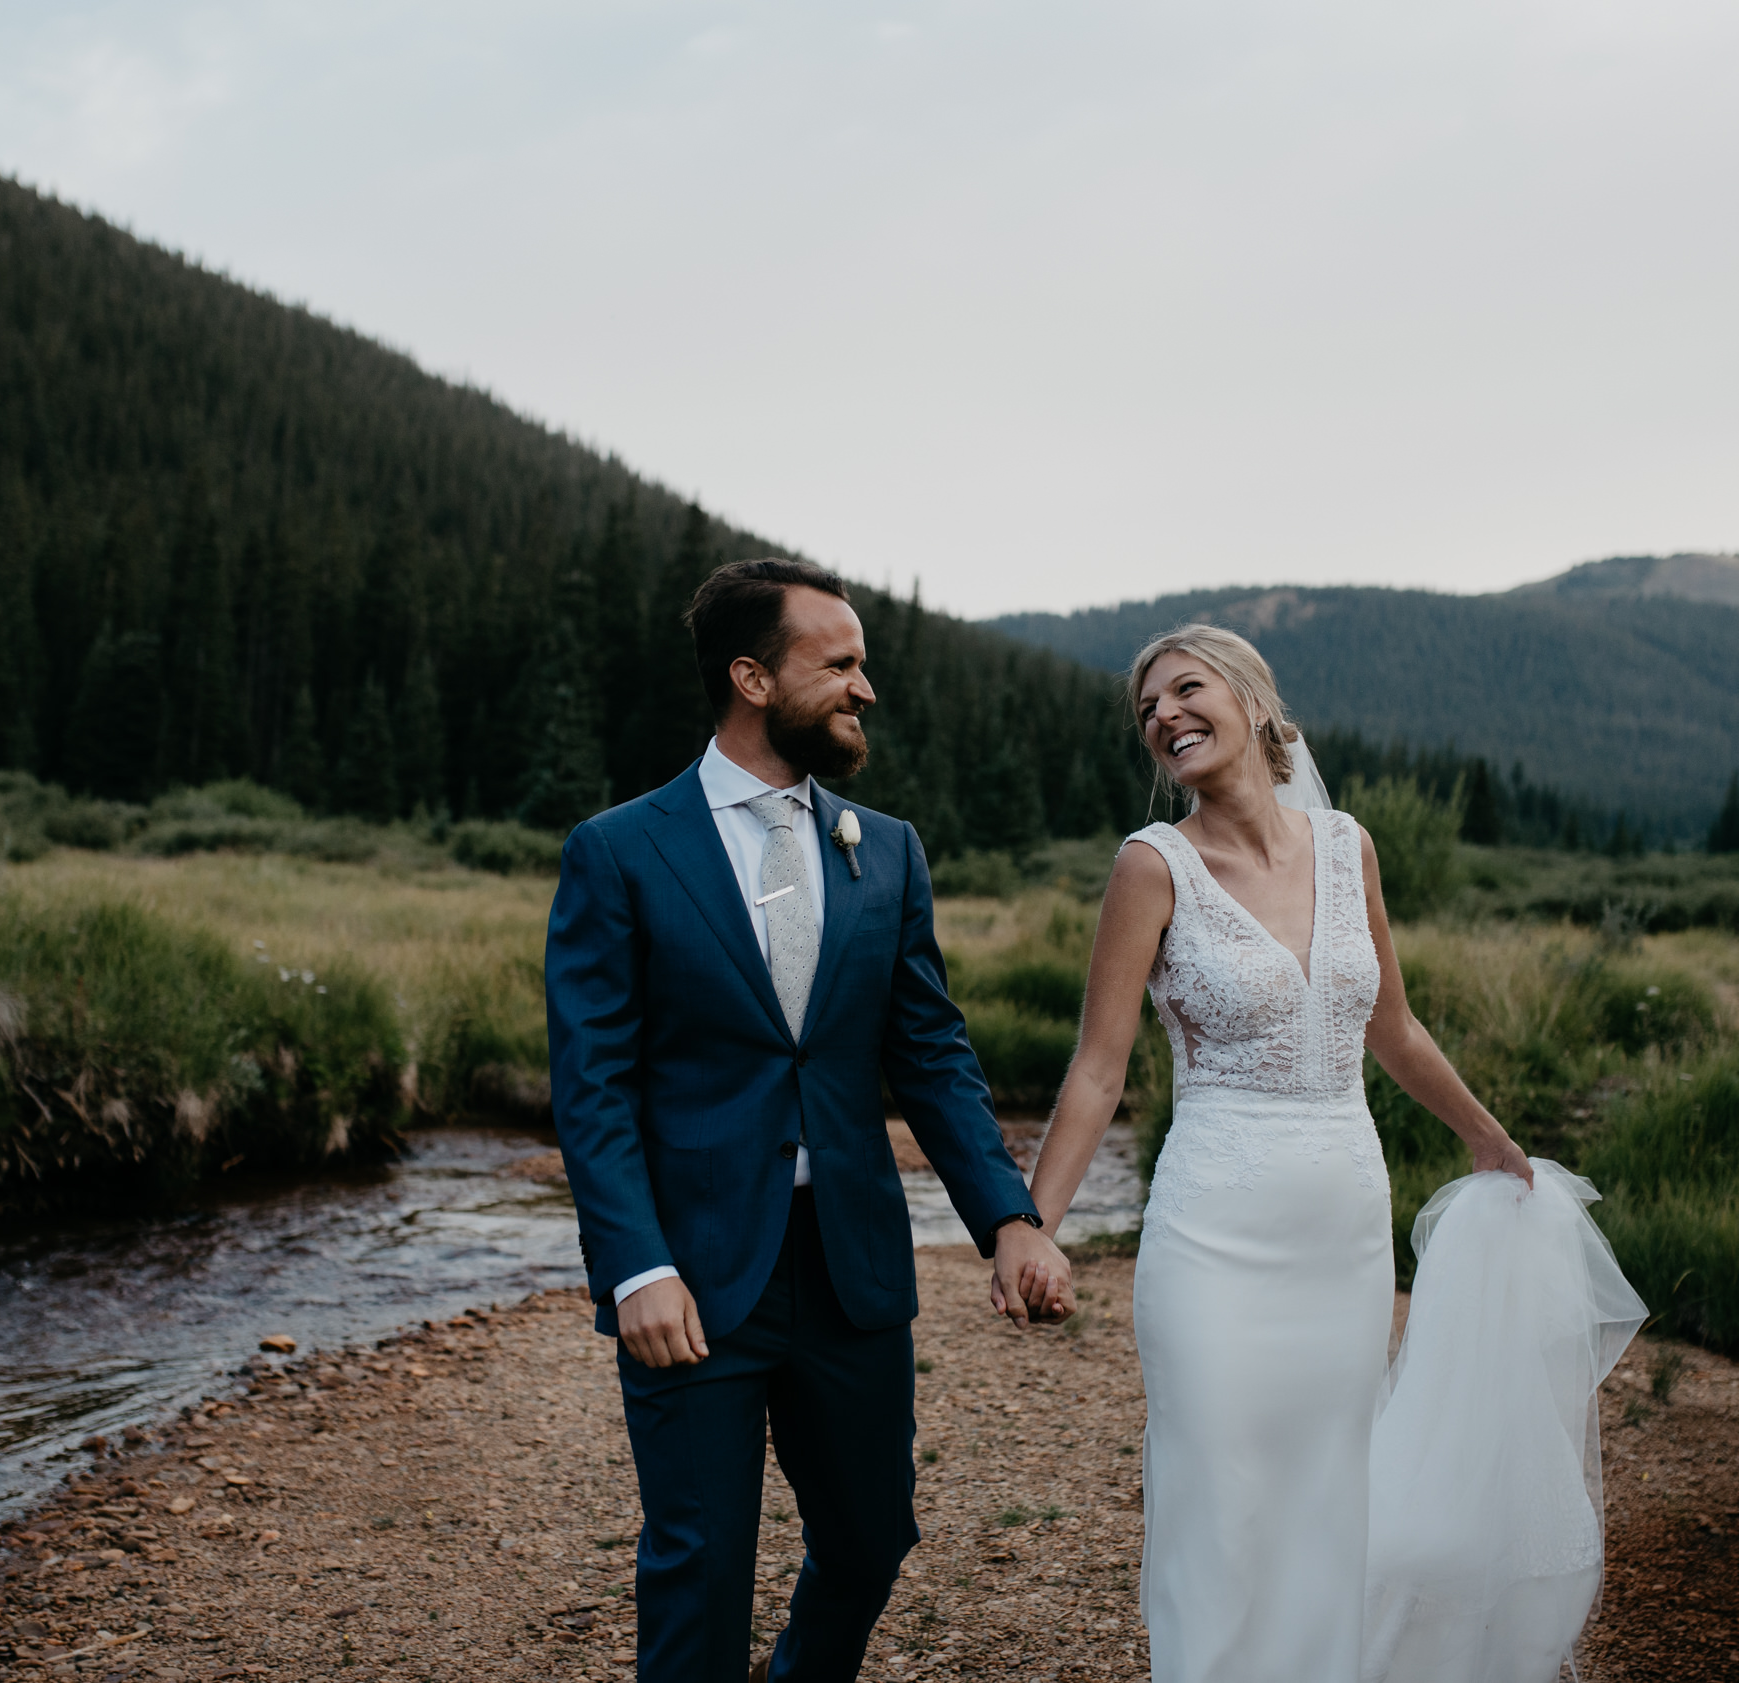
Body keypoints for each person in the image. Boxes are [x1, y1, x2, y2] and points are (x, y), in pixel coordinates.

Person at [544, 557, 1075, 1683]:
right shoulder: (619, 851)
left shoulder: (884, 850)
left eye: (862, 664)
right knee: (699, 1565)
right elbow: (590, 1082)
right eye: (837, 664)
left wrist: (1010, 1219)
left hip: (850, 1271)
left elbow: (929, 1054)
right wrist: (633, 1266)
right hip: (693, 1274)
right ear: (749, 677)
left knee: (872, 1538)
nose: (863, 688)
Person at [1021, 623, 1537, 1682]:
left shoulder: (1349, 849)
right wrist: (1031, 1227)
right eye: (1145, 710)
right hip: (1213, 1224)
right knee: (1217, 1489)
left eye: (1184, 688)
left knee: (1321, 1490)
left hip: (1341, 1224)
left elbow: (1391, 1027)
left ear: (1253, 700)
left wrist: (1483, 1135)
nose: (1162, 715)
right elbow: (1094, 1072)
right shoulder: (1150, 866)